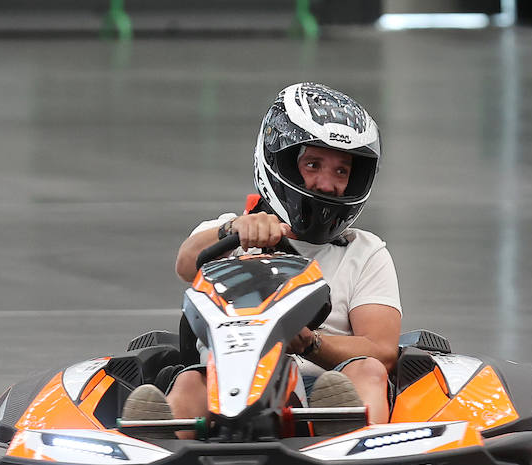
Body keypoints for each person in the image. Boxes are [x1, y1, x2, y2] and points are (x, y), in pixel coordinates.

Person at [125, 82, 401, 429]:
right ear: (280, 163)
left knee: (368, 369)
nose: (326, 185)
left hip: (321, 389)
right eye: (313, 165)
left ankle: (347, 438)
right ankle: (157, 444)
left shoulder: (365, 252)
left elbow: (383, 349)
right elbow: (185, 263)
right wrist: (235, 232)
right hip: (223, 384)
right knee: (190, 382)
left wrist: (310, 343)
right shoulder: (230, 231)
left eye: (341, 171)